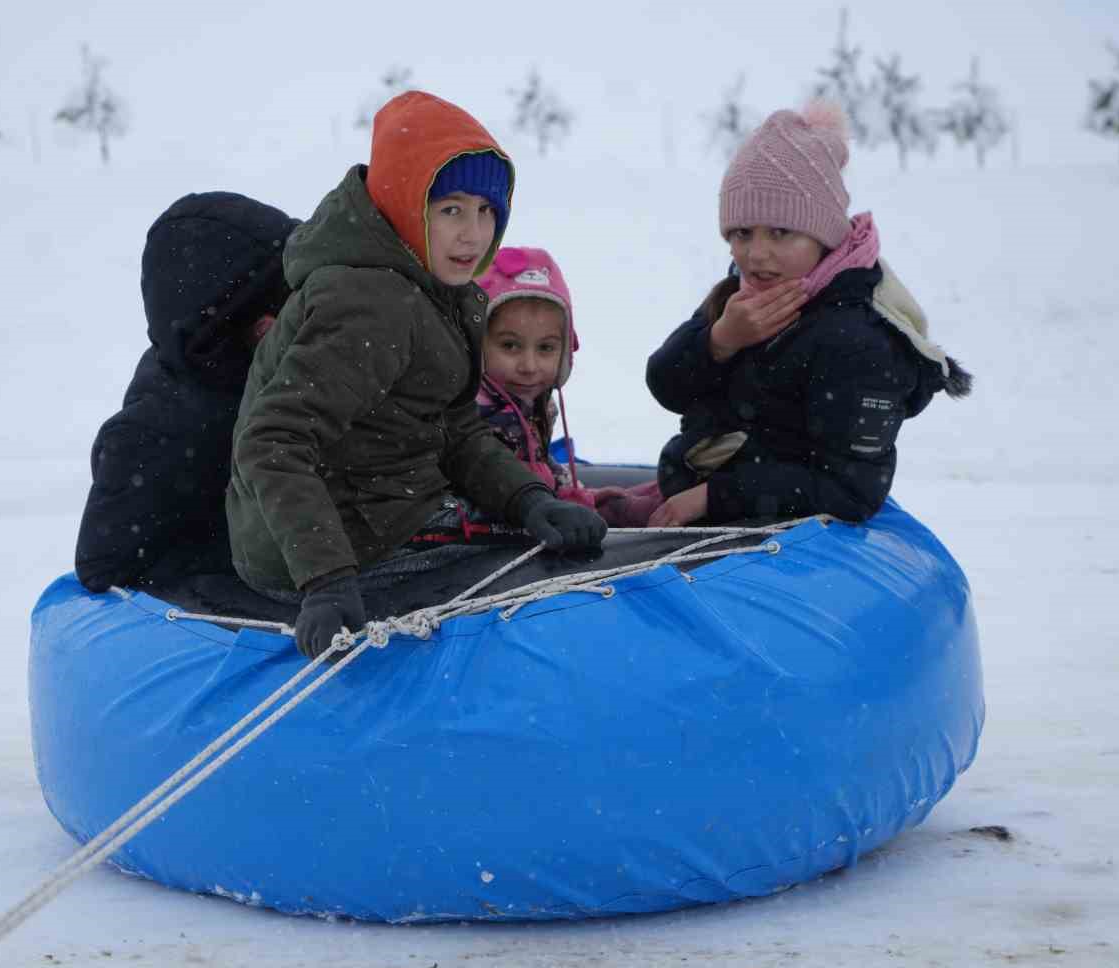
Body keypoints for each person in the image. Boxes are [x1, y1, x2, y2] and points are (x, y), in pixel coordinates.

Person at [226, 91, 607, 658]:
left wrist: (530, 500)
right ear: (406, 205)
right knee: (550, 578)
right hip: (325, 546)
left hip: (380, 502)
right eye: (451, 208)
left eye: (486, 211)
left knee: (543, 533)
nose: (473, 233)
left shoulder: (433, 289)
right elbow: (274, 441)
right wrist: (327, 580)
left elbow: (452, 426)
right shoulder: (370, 303)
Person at [645, 103, 971, 529]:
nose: (756, 254)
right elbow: (667, 387)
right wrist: (719, 342)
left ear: (824, 235)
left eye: (781, 232)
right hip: (712, 510)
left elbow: (850, 490)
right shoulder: (743, 293)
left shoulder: (858, 338)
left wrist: (712, 498)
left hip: (777, 542)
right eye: (742, 233)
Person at [75, 192, 297, 593]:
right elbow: (101, 566)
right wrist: (239, 559)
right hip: (210, 620)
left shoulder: (282, 381)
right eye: (288, 308)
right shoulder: (161, 429)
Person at [475, 245, 663, 526]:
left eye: (546, 348)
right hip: (497, 533)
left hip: (538, 503)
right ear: (477, 342)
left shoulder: (536, 404)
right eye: (510, 345)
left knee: (648, 496)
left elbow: (539, 465)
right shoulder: (473, 416)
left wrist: (586, 498)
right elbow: (494, 488)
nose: (529, 365)